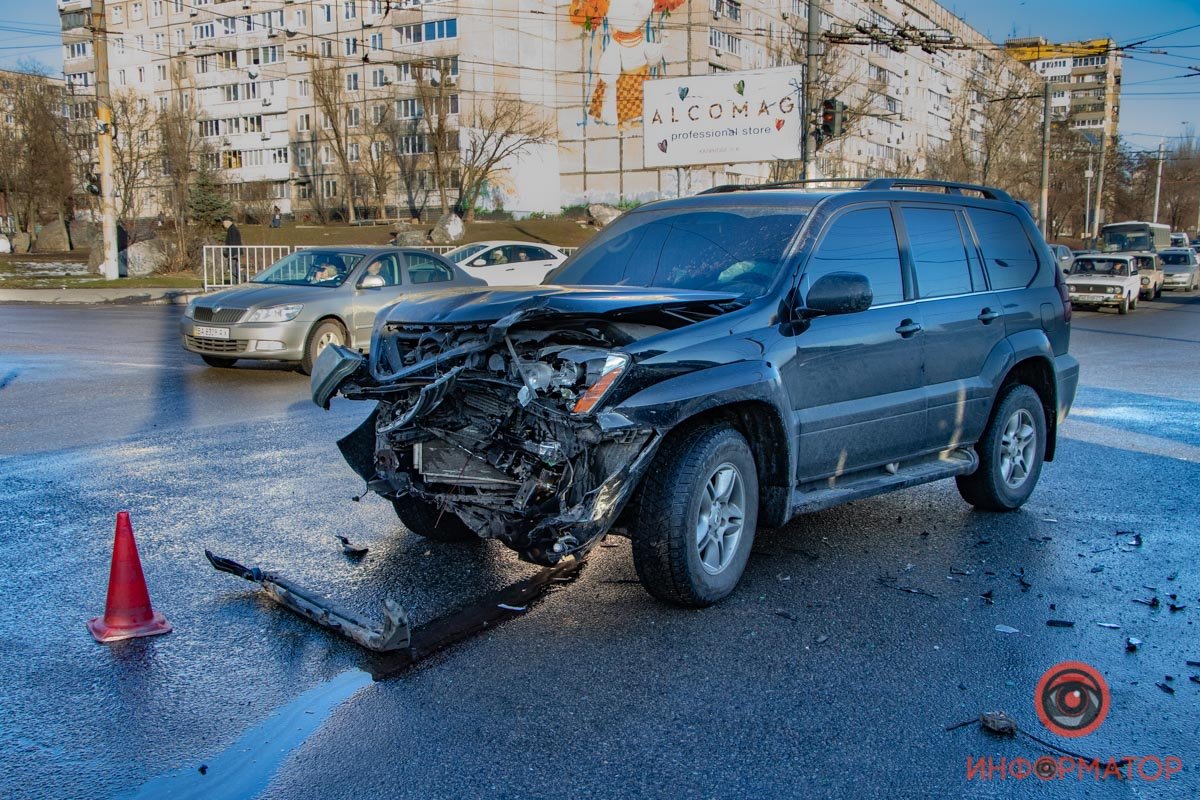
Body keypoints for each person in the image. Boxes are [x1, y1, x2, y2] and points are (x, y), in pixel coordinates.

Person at [222, 216, 242, 280]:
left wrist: (232, 253)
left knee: (233, 269)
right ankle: (235, 282)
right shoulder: (232, 229)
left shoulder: (232, 230)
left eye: (223, 223)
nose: (223, 225)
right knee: (233, 269)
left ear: (227, 222)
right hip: (234, 252)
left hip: (234, 252)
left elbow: (233, 242)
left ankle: (245, 278)